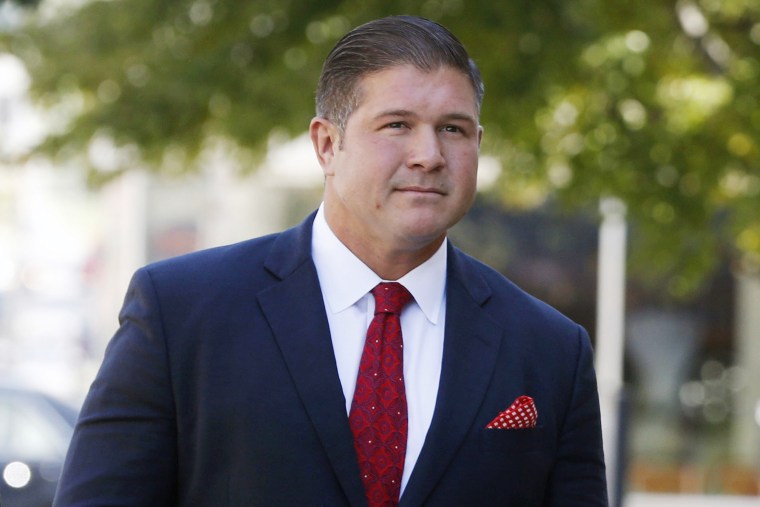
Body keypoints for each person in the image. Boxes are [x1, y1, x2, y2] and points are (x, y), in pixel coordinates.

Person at [54, 15, 608, 507]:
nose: (429, 155)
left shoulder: (550, 350)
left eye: (453, 129)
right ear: (326, 145)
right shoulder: (180, 313)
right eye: (397, 125)